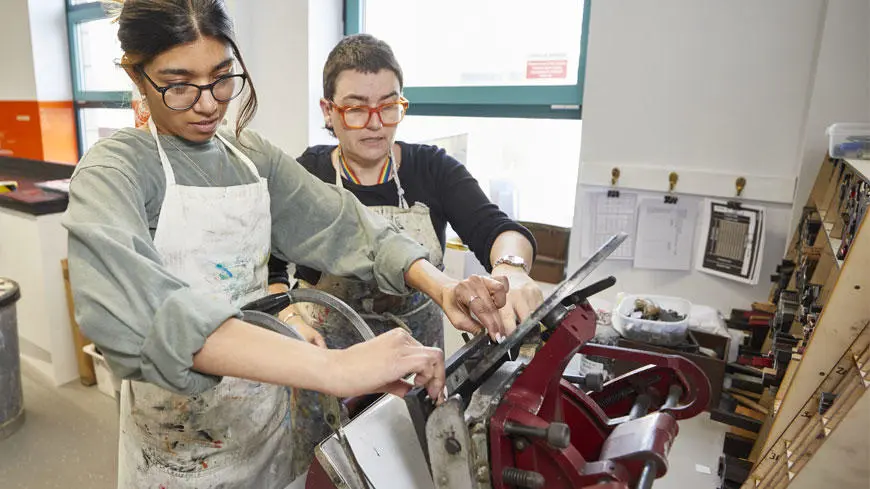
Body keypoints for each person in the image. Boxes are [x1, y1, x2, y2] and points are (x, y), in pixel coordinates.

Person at [63, 1, 510, 487]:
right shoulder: (116, 172)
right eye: (178, 85)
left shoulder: (250, 158)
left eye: (221, 77)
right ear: (137, 75)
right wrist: (333, 368)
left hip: (265, 423)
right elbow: (139, 314)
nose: (210, 103)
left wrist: (441, 286)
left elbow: (343, 224)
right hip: (177, 452)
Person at [268, 34, 544, 352]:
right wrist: (289, 318)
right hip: (325, 357)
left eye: (388, 106)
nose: (376, 124)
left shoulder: (432, 168)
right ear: (328, 111)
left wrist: (512, 268)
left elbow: (497, 229)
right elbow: (267, 265)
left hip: (417, 358)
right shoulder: (307, 175)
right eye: (357, 109)